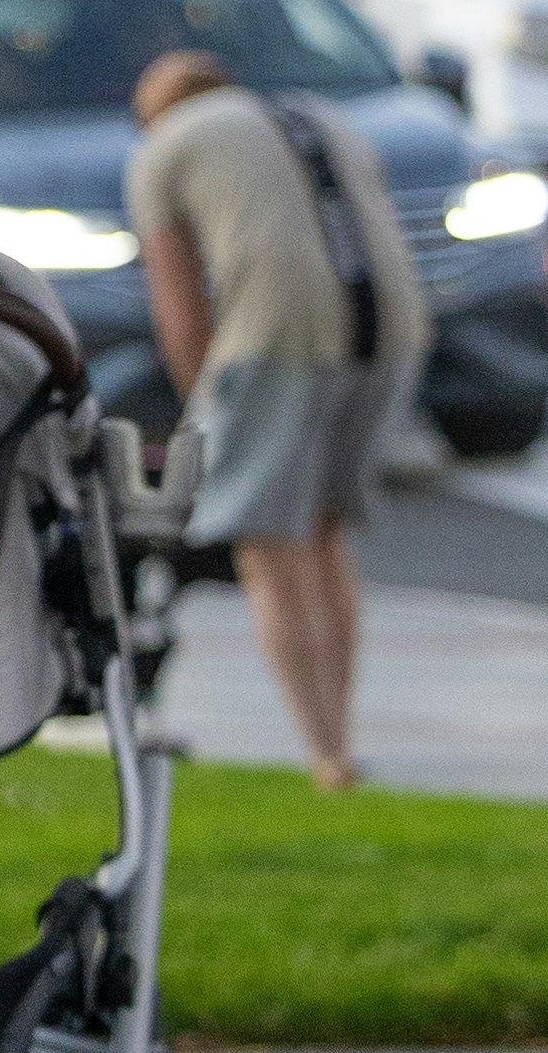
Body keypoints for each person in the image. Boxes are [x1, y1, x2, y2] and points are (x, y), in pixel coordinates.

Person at [126, 43, 423, 788]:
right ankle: (341, 736)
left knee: (267, 546)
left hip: (275, 336)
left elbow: (179, 309)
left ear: (154, 110)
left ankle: (325, 753)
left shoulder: (164, 149)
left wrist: (204, 403)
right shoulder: (318, 118)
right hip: (392, 329)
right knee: (324, 532)